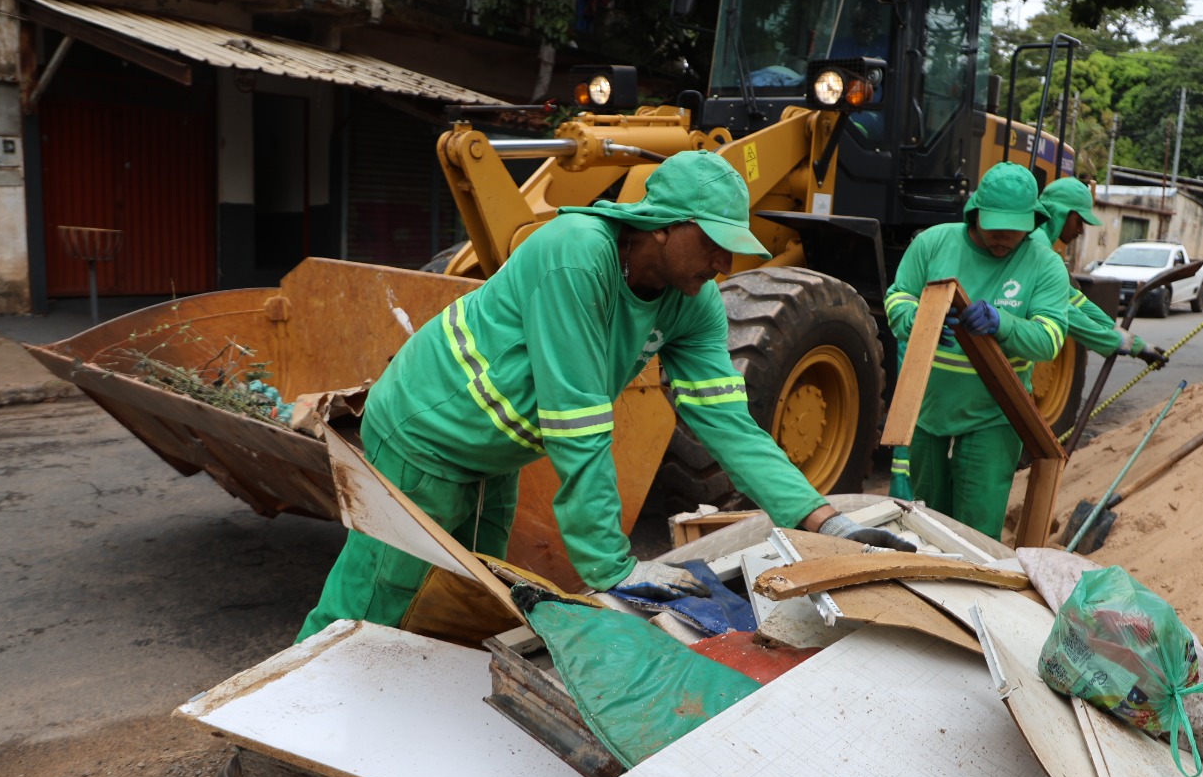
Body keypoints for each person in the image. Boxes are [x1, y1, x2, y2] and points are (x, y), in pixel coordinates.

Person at [297, 150, 911, 642]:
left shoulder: (693, 306)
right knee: (377, 594)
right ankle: (286, 721)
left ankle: (389, 721)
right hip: (426, 430)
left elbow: (730, 425)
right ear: (665, 227)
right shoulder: (576, 255)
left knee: (467, 599)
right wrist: (612, 570)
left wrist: (826, 520)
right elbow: (577, 420)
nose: (724, 263)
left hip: (492, 456)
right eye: (713, 242)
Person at [883, 162, 1072, 539]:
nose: (1003, 237)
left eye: (1014, 229)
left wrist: (1004, 324)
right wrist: (920, 319)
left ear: (1034, 221)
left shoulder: (1044, 264)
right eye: (994, 226)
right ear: (975, 214)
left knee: (976, 532)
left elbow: (1050, 339)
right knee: (925, 524)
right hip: (928, 407)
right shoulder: (933, 243)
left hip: (994, 414)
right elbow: (896, 297)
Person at [1034, 177, 1169, 368]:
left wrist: (1120, 332)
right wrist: (1119, 342)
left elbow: (1076, 300)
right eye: (1079, 221)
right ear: (1061, 213)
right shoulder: (1037, 245)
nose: (1081, 230)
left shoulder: (1041, 241)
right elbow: (1066, 311)